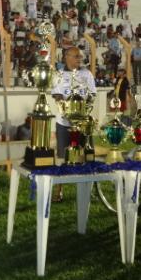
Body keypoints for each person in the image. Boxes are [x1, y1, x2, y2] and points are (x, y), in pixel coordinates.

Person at [51, 46, 97, 201]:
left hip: (83, 122)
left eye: (80, 56)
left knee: (86, 154)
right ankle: (59, 189)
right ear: (67, 57)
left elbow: (92, 95)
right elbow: (57, 96)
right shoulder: (59, 74)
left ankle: (88, 188)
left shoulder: (87, 74)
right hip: (64, 122)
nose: (79, 59)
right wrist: (68, 111)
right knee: (63, 156)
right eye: (76, 56)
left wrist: (83, 110)